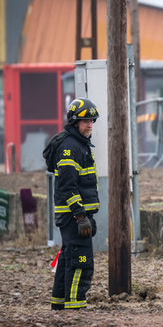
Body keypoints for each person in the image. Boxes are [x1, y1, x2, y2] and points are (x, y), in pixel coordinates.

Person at [48, 98, 100, 310]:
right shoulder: (70, 148)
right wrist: (80, 216)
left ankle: (59, 305)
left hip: (75, 215)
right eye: (85, 120)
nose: (89, 125)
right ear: (74, 122)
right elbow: (67, 186)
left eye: (91, 120)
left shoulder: (79, 145)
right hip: (73, 216)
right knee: (80, 261)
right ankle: (75, 307)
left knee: (68, 259)